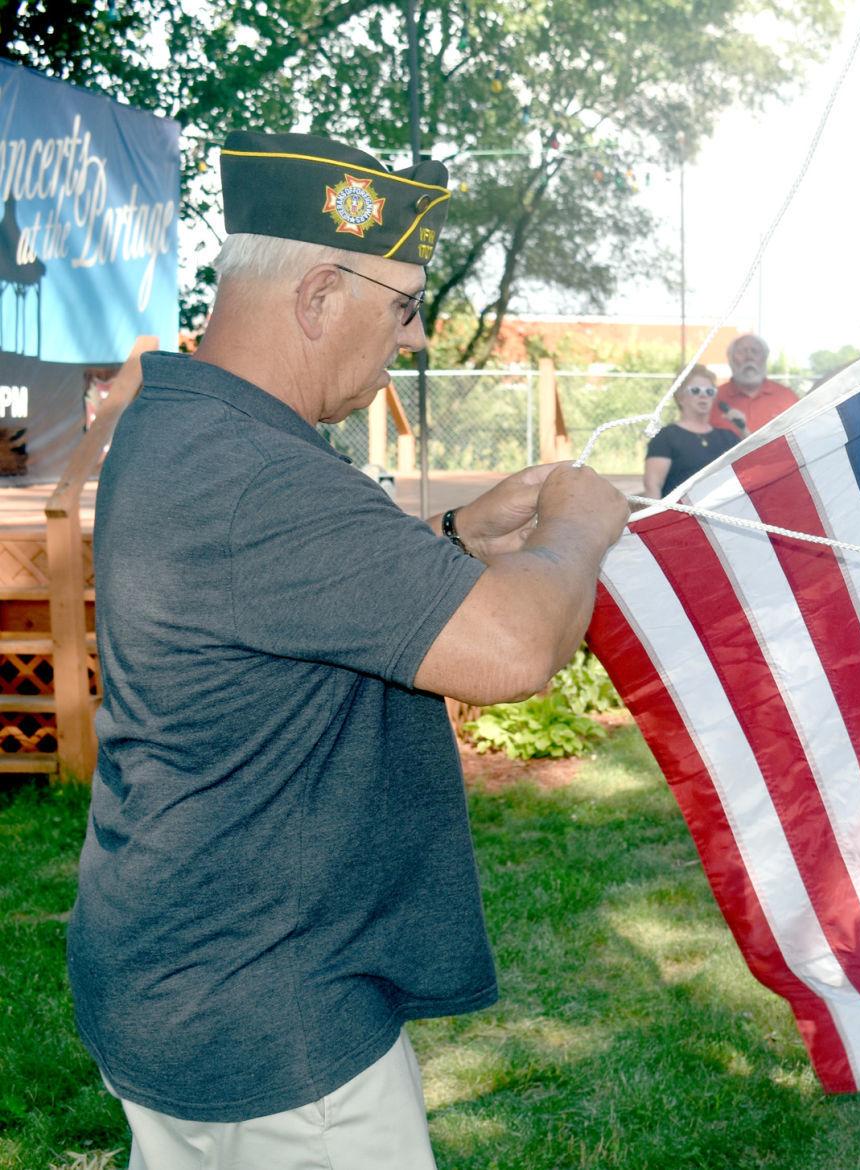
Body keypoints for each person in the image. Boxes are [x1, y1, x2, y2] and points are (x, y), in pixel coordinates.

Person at [65, 131, 630, 1170]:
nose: (413, 340)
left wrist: (454, 540)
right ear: (321, 294)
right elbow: (511, 650)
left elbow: (269, 602)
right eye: (406, 308)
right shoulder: (259, 476)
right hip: (271, 1014)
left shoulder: (179, 422)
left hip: (175, 966)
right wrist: (580, 525)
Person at [642, 363, 738, 498]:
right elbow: (652, 486)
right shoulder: (665, 438)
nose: (703, 395)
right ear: (680, 397)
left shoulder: (728, 437)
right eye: (695, 390)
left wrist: (743, 428)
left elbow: (754, 467)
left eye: (709, 391)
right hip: (681, 516)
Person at [710, 332, 797, 436]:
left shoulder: (787, 398)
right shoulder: (711, 399)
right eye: (742, 352)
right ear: (730, 359)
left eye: (755, 351)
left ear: (765, 358)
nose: (749, 357)